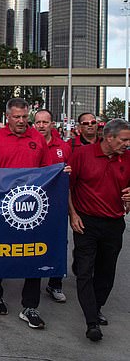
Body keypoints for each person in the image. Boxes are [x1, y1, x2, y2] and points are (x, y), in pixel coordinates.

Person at [0, 98, 51, 329]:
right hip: (1, 207)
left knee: (34, 255)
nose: (22, 121)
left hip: (31, 208)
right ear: (7, 117)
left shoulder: (38, 139)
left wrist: (61, 173)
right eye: (17, 117)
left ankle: (30, 306)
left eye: (25, 117)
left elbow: (48, 172)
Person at [68, 119, 130, 341]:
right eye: (123, 140)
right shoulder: (83, 155)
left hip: (114, 224)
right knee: (85, 270)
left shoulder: (128, 158)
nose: (127, 144)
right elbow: (68, 186)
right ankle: (91, 321)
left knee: (106, 271)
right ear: (109, 137)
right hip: (86, 223)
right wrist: (72, 214)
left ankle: (98, 304)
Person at [33, 109, 72, 303]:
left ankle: (55, 283)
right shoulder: (29, 144)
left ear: (52, 123)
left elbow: (70, 176)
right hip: (34, 204)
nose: (41, 125)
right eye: (38, 122)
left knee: (59, 243)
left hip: (56, 204)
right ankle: (32, 278)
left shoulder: (63, 147)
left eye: (45, 122)